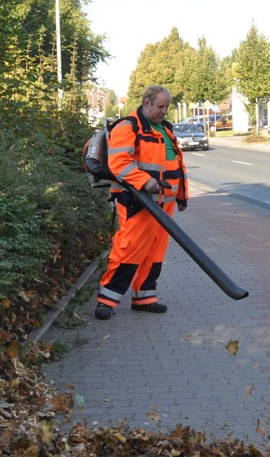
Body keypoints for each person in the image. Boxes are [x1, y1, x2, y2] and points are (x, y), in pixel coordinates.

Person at [95, 85, 188, 320]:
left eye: (167, 107)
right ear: (147, 102)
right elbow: (119, 162)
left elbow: (174, 163)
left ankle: (144, 297)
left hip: (163, 203)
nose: (164, 111)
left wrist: (181, 196)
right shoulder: (128, 126)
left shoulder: (165, 129)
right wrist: (144, 182)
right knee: (128, 249)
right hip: (138, 200)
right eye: (160, 106)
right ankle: (107, 300)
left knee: (155, 251)